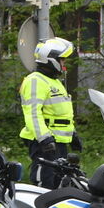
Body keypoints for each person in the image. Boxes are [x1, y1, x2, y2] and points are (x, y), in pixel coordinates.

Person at [19, 37, 80, 189]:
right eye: (62, 60)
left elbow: (60, 114)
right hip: (45, 144)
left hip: (59, 143)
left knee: (59, 185)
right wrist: (44, 139)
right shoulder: (35, 80)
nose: (64, 64)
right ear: (51, 59)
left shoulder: (55, 82)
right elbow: (33, 113)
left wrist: (72, 134)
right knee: (45, 185)